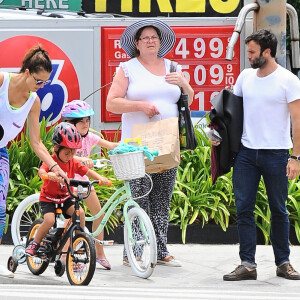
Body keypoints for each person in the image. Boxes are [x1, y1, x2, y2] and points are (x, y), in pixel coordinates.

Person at [210, 29, 300, 281]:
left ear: (267, 52)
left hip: (277, 154)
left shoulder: (288, 80)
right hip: (247, 154)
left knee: (278, 210)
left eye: (252, 52)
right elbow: (230, 113)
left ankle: (283, 262)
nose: (248, 56)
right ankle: (247, 264)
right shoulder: (245, 77)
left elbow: (298, 121)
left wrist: (296, 157)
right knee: (244, 209)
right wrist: (217, 133)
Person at [106, 19, 194, 267]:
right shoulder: (127, 68)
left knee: (162, 199)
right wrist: (141, 105)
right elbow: (111, 102)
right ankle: (132, 252)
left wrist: (184, 82)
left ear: (160, 41)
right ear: (136, 43)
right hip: (136, 145)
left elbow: (190, 97)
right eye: (145, 37)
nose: (151, 40)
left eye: (154, 37)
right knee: (138, 197)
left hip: (166, 142)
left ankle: (161, 249)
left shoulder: (172, 66)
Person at [0, 45, 68, 278]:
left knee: (0, 210)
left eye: (45, 83)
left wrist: (56, 166)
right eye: (39, 81)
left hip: (0, 153)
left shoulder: (33, 102)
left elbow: (36, 143)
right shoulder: (1, 81)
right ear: (27, 72)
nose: (41, 87)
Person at [25, 122, 110, 261]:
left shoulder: (73, 162)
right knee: (49, 220)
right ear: (56, 148)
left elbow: (86, 171)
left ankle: (78, 241)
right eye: (67, 152)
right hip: (49, 199)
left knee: (80, 213)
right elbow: (41, 170)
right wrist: (48, 175)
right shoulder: (51, 160)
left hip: (64, 198)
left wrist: (100, 178)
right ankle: (35, 243)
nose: (70, 156)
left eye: (73, 152)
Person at [61, 100, 118, 270]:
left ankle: (99, 254)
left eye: (87, 121)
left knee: (98, 214)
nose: (85, 125)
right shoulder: (66, 137)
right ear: (70, 123)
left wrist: (126, 147)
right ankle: (68, 255)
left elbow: (109, 145)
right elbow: (64, 156)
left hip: (85, 182)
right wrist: (80, 159)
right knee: (76, 217)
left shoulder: (90, 137)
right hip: (70, 182)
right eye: (81, 122)